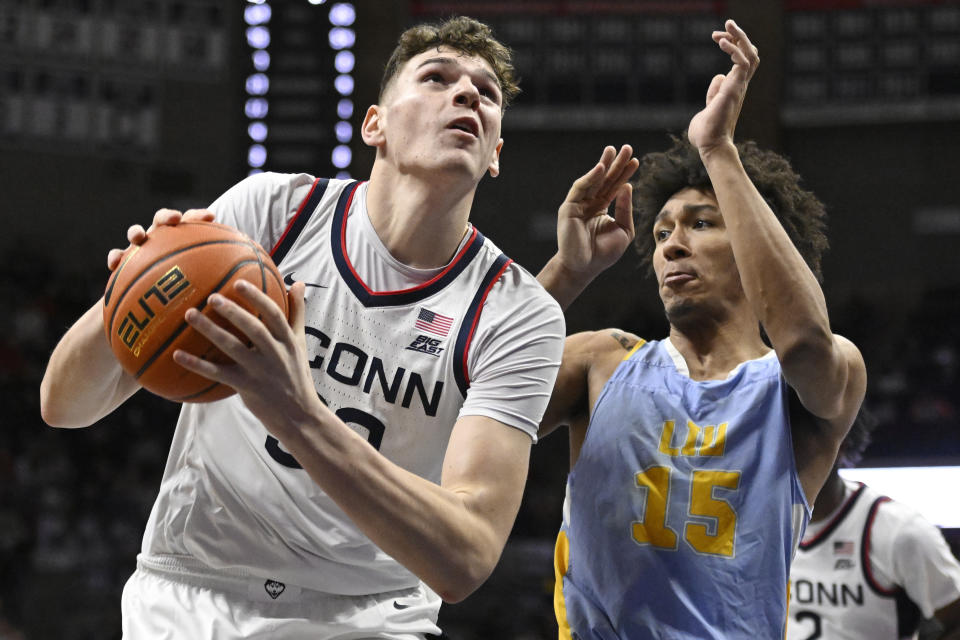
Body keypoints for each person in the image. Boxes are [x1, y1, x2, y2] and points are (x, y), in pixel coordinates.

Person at [39, 16, 636, 639]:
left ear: (495, 156)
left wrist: (297, 413)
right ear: (374, 124)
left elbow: (467, 555)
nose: (466, 96)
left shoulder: (519, 311)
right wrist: (132, 291)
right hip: (195, 589)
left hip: (371, 616)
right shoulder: (269, 213)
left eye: (485, 93)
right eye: (436, 78)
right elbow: (64, 404)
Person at [536, 20, 867, 639]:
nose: (671, 246)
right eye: (661, 233)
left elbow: (800, 341)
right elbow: (462, 389)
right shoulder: (601, 361)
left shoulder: (813, 379)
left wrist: (718, 151)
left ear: (752, 241)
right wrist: (565, 272)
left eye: (700, 225)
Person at [788, 410, 960, 639]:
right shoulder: (757, 522)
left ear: (841, 444)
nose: (784, 450)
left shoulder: (899, 529)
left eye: (796, 438)